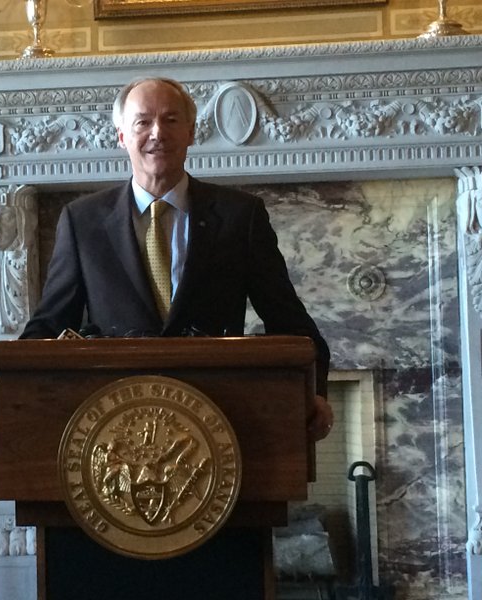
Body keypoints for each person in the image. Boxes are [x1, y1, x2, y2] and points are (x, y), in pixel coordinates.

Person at [21, 76, 332, 439]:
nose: (157, 133)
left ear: (191, 132)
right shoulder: (82, 221)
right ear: (121, 136)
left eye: (170, 120)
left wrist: (316, 392)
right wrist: (22, 389)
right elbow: (49, 325)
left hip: (218, 421)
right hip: (117, 428)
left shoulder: (240, 216)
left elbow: (290, 322)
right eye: (143, 122)